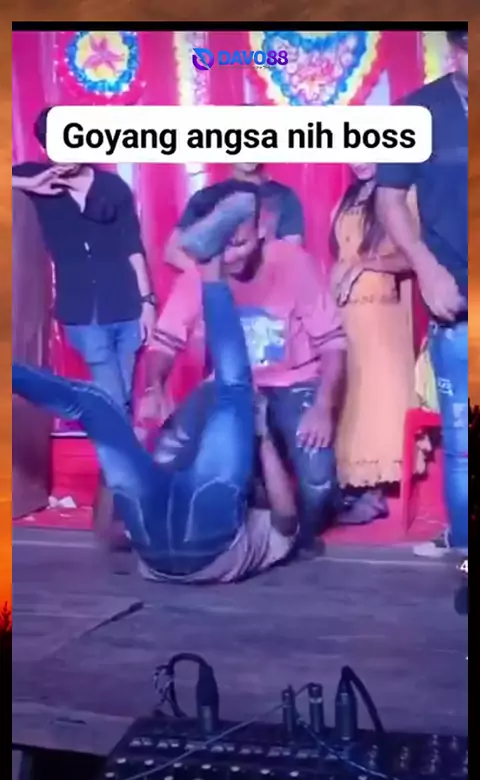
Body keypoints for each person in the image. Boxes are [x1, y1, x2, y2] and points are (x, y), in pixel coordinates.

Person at [12, 193, 301, 584]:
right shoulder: (219, 497)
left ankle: (210, 266)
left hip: (198, 545)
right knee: (97, 406)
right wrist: (262, 437)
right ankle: (210, 263)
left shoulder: (237, 504)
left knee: (233, 389)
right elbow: (285, 519)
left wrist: (119, 465)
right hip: (166, 546)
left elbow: (109, 536)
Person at [142, 185, 346, 556]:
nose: (230, 256)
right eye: (222, 245)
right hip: (227, 385)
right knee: (163, 456)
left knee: (318, 484)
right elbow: (165, 343)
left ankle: (290, 534)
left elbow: (332, 343)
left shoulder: (292, 262)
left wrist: (323, 406)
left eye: (239, 243)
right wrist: (154, 387)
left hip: (293, 382)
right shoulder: (203, 271)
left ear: (261, 228)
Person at [376, 29, 468, 558]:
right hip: (456, 299)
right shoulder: (415, 112)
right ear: (456, 52)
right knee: (463, 444)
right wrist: (426, 269)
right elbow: (389, 200)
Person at [12, 106, 156, 414]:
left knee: (121, 397)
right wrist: (29, 185)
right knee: (112, 399)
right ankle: (120, 445)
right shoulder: (36, 180)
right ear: (46, 148)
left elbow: (133, 247)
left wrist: (147, 303)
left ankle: (116, 445)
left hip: (127, 307)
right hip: (81, 312)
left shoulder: (112, 188)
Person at [329, 163, 423, 524]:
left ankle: (373, 492)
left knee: (377, 400)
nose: (359, 160)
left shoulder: (402, 195)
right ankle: (348, 489)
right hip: (344, 314)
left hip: (380, 317)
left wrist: (365, 264)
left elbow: (412, 256)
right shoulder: (348, 198)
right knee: (348, 399)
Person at [164, 162, 305, 272]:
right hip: (211, 291)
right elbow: (172, 252)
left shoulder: (284, 196)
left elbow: (291, 252)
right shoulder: (205, 197)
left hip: (264, 293)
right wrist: (209, 276)